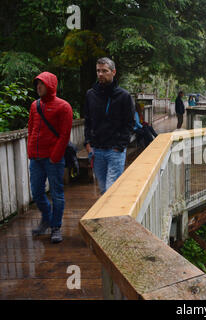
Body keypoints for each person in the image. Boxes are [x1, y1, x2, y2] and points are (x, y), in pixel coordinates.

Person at [28, 71, 73, 243]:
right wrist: (30, 150)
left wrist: (55, 156)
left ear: (50, 86)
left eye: (42, 84)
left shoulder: (63, 106)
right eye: (37, 84)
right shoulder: (34, 105)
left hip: (53, 159)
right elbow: (31, 128)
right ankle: (47, 218)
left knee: (57, 194)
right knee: (37, 192)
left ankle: (56, 227)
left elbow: (64, 134)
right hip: (36, 158)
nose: (38, 87)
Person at [84, 57, 135, 195]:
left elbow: (129, 123)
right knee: (103, 190)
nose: (100, 74)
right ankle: (108, 217)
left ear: (113, 72)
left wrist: (120, 145)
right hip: (96, 150)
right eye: (98, 71)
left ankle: (112, 216)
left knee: (111, 190)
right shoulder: (90, 95)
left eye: (104, 71)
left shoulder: (124, 96)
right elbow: (87, 120)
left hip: (115, 151)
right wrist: (88, 143)